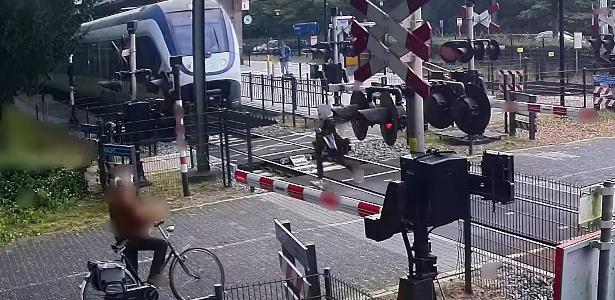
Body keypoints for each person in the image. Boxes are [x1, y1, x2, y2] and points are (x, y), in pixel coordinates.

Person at [104, 165, 169, 286]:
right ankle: (154, 276)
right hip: (130, 238)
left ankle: (133, 289)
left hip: (122, 237)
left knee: (132, 272)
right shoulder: (124, 197)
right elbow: (136, 216)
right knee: (162, 245)